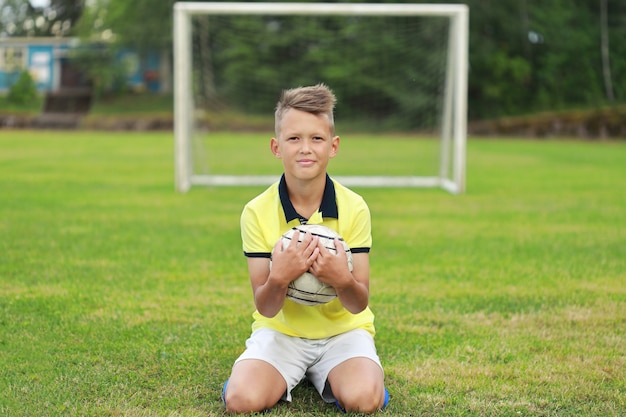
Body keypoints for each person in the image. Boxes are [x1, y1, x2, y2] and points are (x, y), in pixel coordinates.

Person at [223, 84, 388, 414]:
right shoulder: (256, 211)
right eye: (294, 138)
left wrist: (341, 279)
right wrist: (279, 277)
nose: (305, 149)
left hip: (344, 332)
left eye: (317, 138)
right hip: (282, 331)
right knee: (241, 401)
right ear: (276, 146)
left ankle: (336, 373)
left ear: (333, 146)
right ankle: (276, 374)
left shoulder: (354, 207)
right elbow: (266, 307)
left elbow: (359, 303)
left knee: (363, 400)